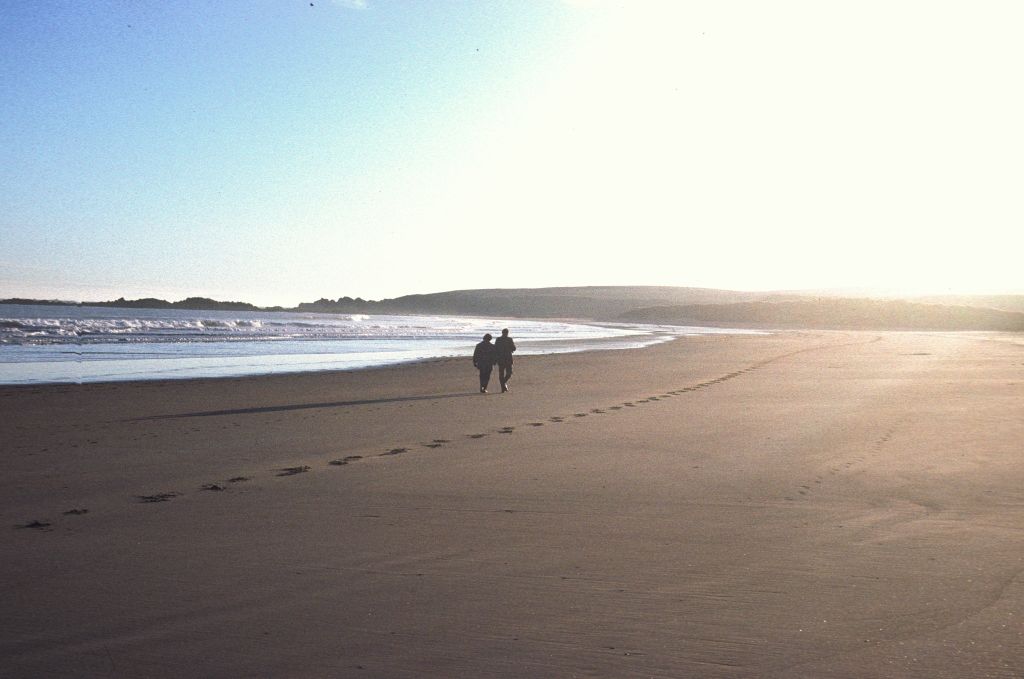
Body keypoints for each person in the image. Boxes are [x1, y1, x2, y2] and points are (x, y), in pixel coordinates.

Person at [493, 328, 516, 393]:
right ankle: (503, 385)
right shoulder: (509, 339)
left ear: (502, 332)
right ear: (507, 333)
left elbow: (495, 349)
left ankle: (503, 385)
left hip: (501, 359)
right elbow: (514, 348)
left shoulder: (498, 339)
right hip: (507, 358)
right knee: (509, 373)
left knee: (502, 373)